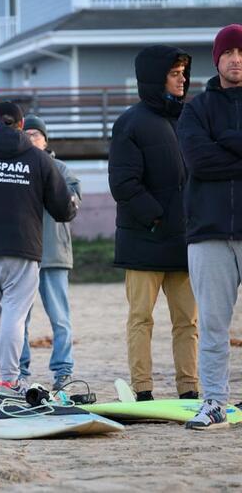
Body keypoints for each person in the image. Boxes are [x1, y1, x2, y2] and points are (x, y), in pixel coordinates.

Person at [0, 102, 77, 393]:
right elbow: (63, 208)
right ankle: (10, 377)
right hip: (25, 248)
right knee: (14, 315)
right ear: (21, 125)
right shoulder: (39, 159)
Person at [109, 45, 198, 402]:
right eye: (174, 73)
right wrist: (158, 218)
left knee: (188, 321)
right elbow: (123, 184)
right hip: (144, 240)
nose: (182, 79)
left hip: (185, 241)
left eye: (183, 73)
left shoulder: (189, 119)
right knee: (141, 319)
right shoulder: (129, 123)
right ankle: (142, 389)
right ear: (155, 77)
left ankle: (189, 389)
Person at [178, 24, 242, 430]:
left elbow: (213, 156)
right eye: (229, 52)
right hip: (208, 232)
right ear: (217, 59)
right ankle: (215, 401)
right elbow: (200, 162)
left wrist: (225, 141)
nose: (237, 59)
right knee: (214, 326)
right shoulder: (196, 109)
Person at [18, 115, 82, 391]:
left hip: (54, 253)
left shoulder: (61, 169)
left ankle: (63, 370)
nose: (31, 138)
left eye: (36, 134)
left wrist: (46, 180)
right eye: (26, 133)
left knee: (60, 318)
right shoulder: (15, 169)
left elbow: (73, 201)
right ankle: (20, 370)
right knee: (19, 318)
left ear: (45, 140)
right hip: (22, 253)